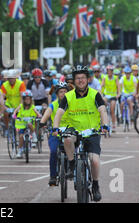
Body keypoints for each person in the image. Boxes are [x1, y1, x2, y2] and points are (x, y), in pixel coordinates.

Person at [52, 65, 109, 202]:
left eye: (83, 77)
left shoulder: (95, 94)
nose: (80, 80)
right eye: (78, 78)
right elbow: (59, 112)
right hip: (74, 129)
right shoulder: (68, 96)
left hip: (92, 130)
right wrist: (55, 127)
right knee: (66, 139)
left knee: (94, 161)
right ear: (74, 81)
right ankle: (72, 165)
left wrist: (105, 125)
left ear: (87, 79)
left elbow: (102, 110)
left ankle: (95, 185)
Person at [40, 82, 70, 186]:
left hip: (70, 132)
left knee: (73, 150)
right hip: (55, 133)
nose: (63, 93)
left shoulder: (72, 103)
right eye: (61, 92)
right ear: (57, 94)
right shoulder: (53, 104)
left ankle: (71, 169)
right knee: (53, 151)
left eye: (65, 91)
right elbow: (46, 115)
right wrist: (42, 122)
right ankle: (53, 176)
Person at [12, 90, 40, 159]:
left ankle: (34, 136)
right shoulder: (21, 106)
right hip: (21, 124)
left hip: (30, 123)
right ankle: (20, 150)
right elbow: (16, 110)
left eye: (29, 99)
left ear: (31, 99)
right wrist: (14, 115)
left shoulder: (32, 107)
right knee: (21, 136)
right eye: (26, 99)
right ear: (23, 100)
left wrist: (38, 115)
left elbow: (37, 112)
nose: (27, 100)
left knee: (30, 124)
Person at [1, 69, 26, 136]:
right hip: (9, 104)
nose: (11, 80)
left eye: (12, 78)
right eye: (9, 78)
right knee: (5, 113)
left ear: (15, 78)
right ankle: (7, 129)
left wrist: (20, 106)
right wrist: (3, 106)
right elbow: (2, 97)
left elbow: (22, 96)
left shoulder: (21, 84)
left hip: (19, 104)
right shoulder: (4, 85)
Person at [101, 65, 120, 132]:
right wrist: (101, 94)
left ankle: (114, 124)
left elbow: (118, 87)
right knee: (102, 107)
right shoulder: (104, 78)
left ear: (112, 71)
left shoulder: (115, 78)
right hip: (106, 95)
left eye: (110, 71)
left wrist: (118, 94)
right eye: (108, 71)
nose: (109, 72)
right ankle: (104, 123)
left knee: (112, 109)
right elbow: (102, 86)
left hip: (113, 96)